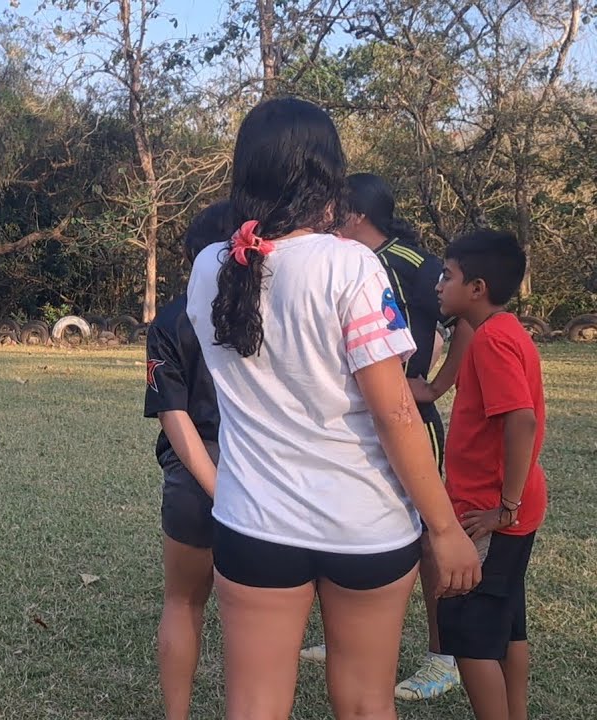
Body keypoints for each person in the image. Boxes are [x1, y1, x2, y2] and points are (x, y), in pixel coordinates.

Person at [184, 97, 480, 719]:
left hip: (254, 523)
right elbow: (397, 413)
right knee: (367, 702)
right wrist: (446, 530)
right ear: (325, 174)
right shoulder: (350, 264)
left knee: (254, 705)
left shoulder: (211, 266)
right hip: (364, 526)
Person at [299, 173, 471, 701]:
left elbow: (469, 319)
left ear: (354, 215)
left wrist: (435, 386)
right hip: (360, 420)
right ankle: (347, 634)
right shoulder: (338, 262)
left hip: (407, 417)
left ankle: (445, 657)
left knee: (424, 533)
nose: (325, 219)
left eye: (333, 210)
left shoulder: (411, 263)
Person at [434, 230, 547, 720]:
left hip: (489, 512)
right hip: (505, 508)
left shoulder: (492, 341)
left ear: (477, 287)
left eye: (448, 275)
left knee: (471, 636)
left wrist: (506, 506)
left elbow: (520, 419)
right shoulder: (506, 331)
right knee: (507, 626)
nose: (439, 284)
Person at [144, 200, 233, 720]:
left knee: (182, 602)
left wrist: (212, 485)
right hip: (265, 471)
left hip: (194, 473)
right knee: (254, 618)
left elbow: (172, 415)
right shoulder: (268, 308)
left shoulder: (170, 320)